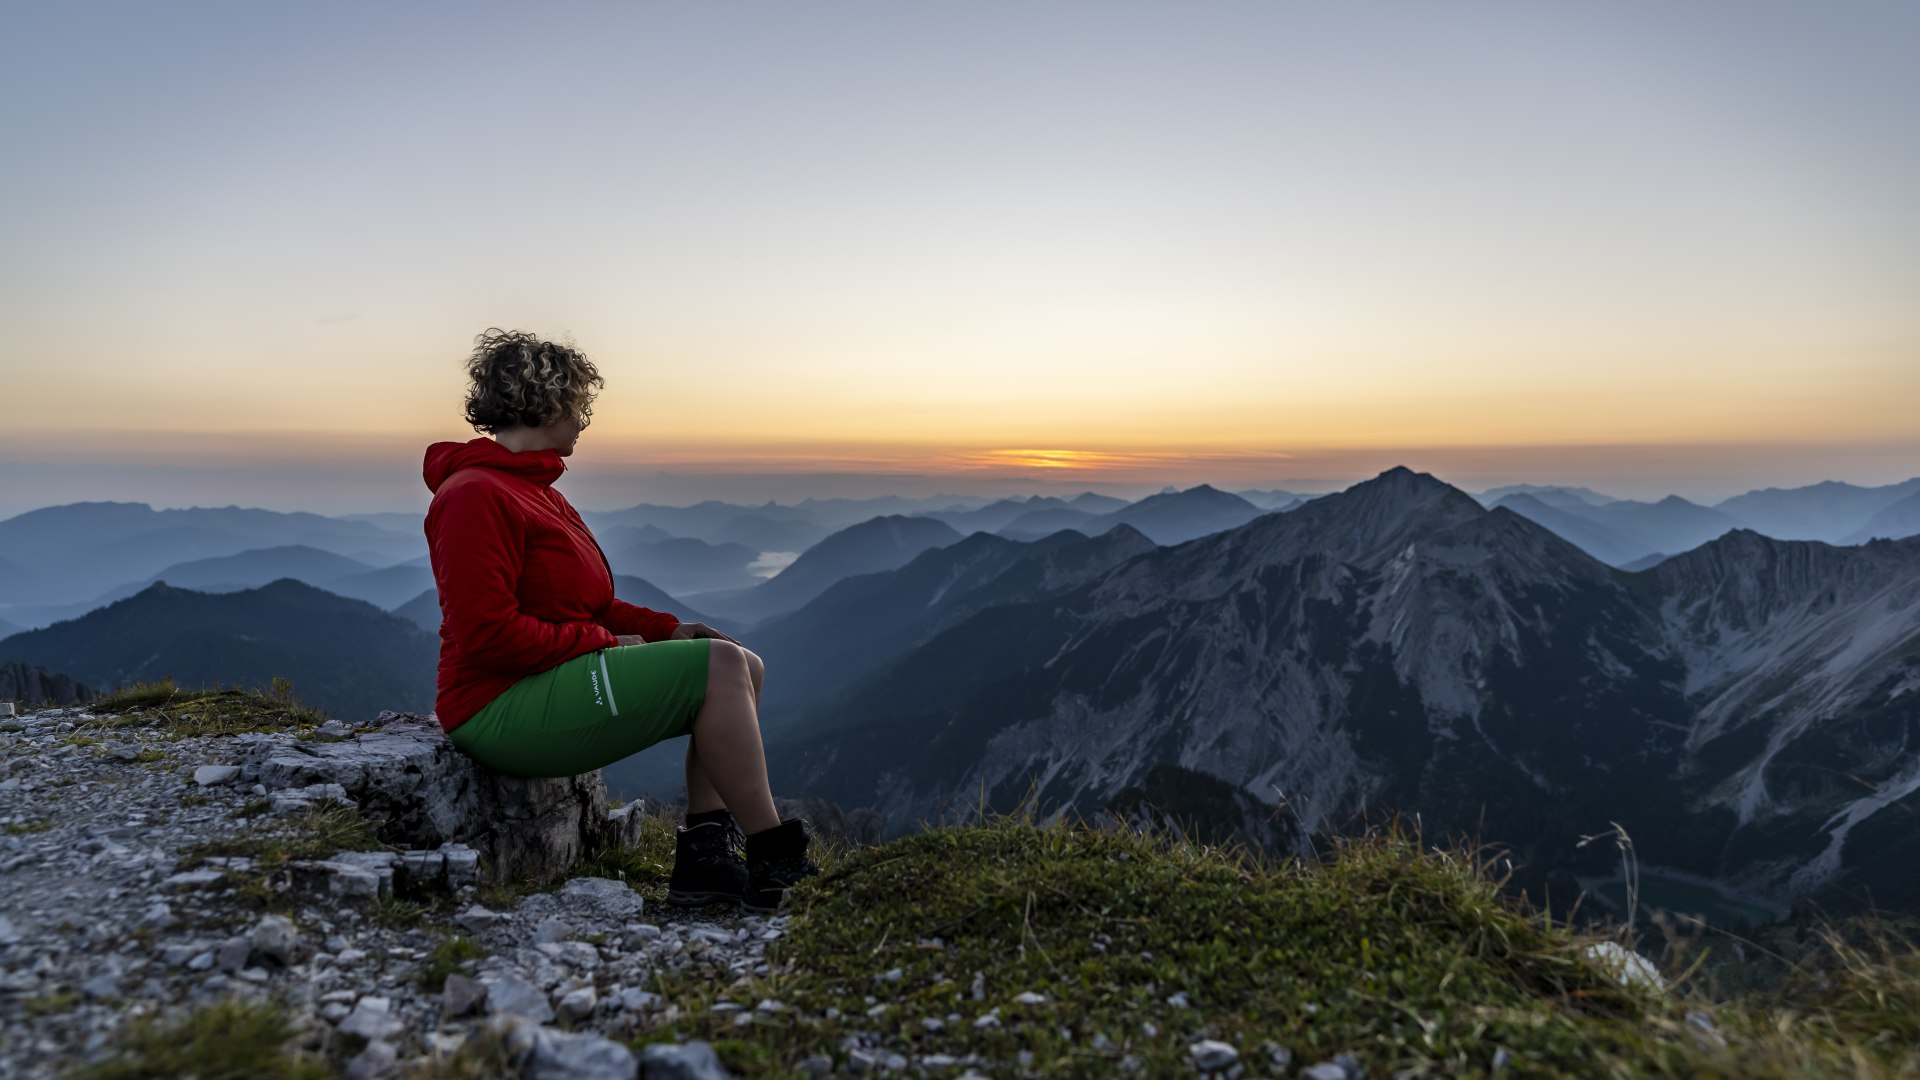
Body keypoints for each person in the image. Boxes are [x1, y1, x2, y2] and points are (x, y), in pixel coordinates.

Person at [421, 328, 817, 912]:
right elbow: (487, 634)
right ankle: (774, 858)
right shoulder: (475, 496)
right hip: (496, 706)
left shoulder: (537, 491)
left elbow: (592, 603)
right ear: (544, 400)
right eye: (578, 404)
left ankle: (705, 856)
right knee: (721, 668)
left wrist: (667, 630)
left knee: (742, 665)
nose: (583, 420)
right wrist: (601, 643)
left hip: (539, 681)